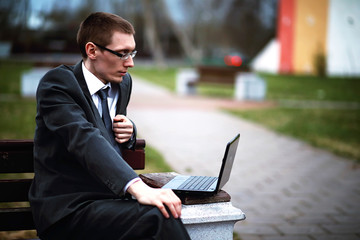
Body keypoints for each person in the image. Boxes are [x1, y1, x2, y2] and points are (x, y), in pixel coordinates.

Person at [29, 12, 190, 240]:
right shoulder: (58, 85)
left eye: (132, 52)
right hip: (69, 209)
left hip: (111, 202)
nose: (131, 63)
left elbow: (105, 129)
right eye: (122, 53)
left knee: (165, 210)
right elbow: (84, 137)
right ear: (92, 51)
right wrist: (138, 187)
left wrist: (129, 131)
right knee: (158, 218)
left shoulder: (122, 83)